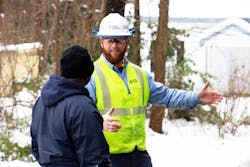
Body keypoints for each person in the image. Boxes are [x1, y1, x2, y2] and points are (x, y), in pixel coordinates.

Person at [86, 13, 222, 167]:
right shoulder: (91, 75)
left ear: (127, 42)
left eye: (120, 41)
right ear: (101, 42)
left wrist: (196, 98)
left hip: (139, 156)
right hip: (108, 158)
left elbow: (168, 96)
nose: (115, 46)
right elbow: (80, 116)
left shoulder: (139, 74)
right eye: (110, 41)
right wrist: (100, 122)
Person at [30, 45, 111, 167]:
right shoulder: (83, 107)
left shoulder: (40, 102)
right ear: (88, 74)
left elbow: (36, 148)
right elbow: (96, 159)